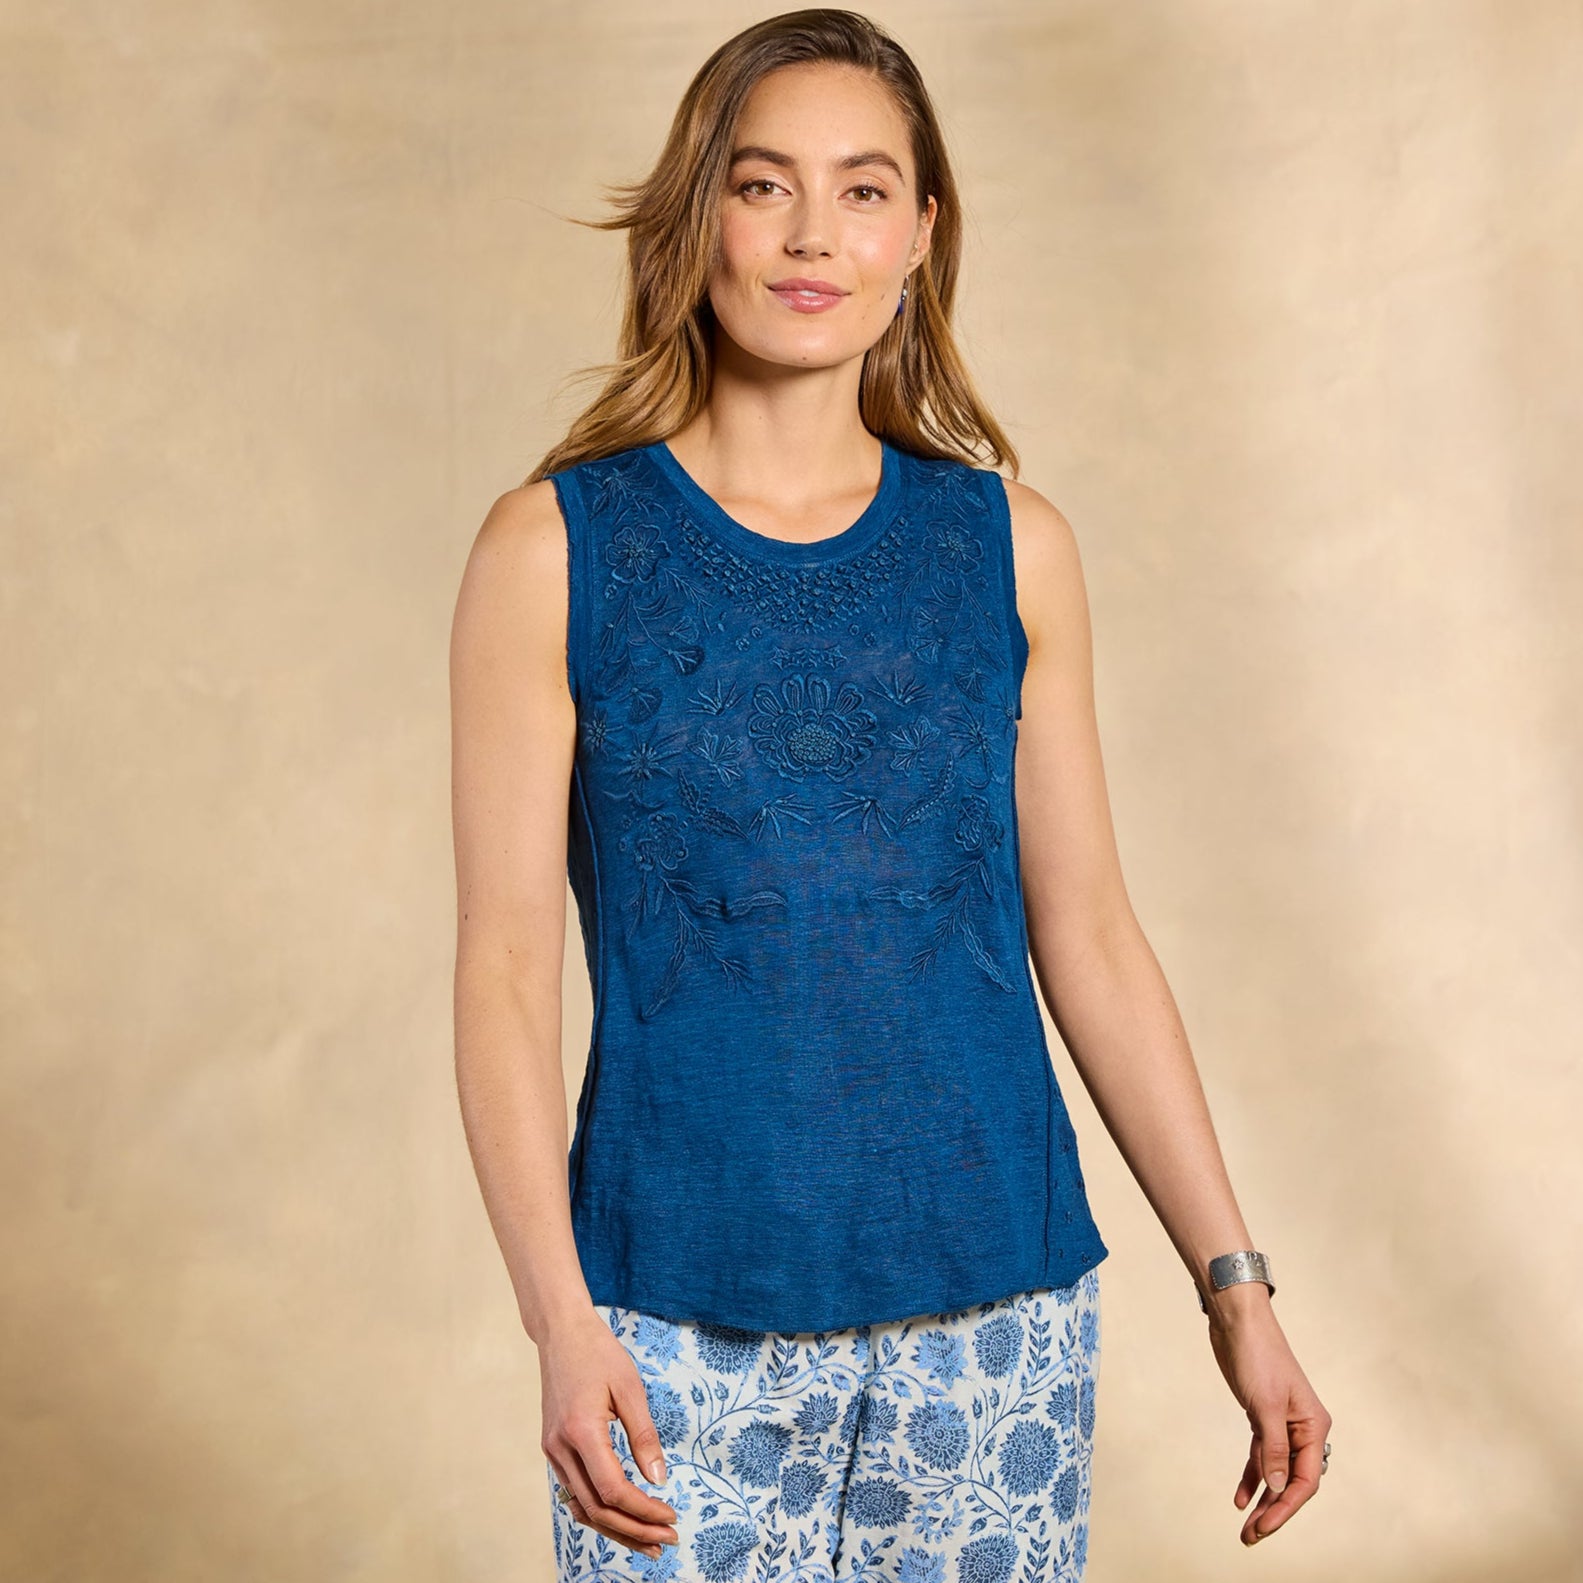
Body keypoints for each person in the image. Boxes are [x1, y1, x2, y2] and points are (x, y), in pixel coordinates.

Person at [449, 10, 1332, 1580]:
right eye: (763, 184)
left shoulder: (1011, 548)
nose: (812, 236)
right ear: (699, 218)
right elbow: (507, 967)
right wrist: (559, 1321)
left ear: (921, 234)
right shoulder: (556, 550)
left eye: (862, 191)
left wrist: (1237, 1289)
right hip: (669, 1324)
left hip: (998, 1327)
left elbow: (1092, 940)